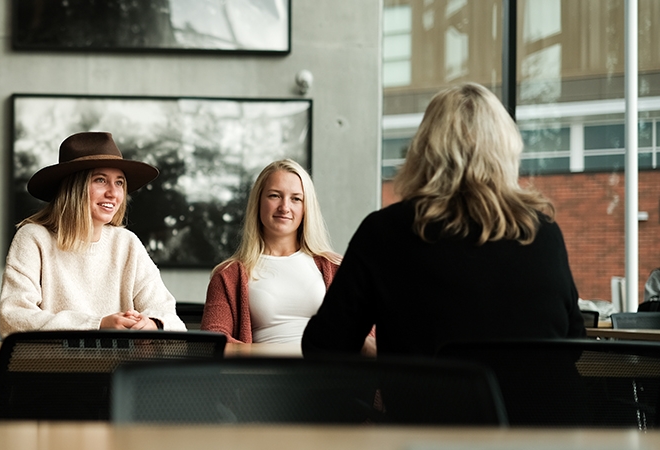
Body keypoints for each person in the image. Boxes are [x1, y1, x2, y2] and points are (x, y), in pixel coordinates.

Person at [302, 83, 586, 358]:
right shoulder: (542, 232)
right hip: (540, 407)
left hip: (430, 407)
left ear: (424, 149)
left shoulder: (386, 232)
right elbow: (574, 343)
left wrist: (368, 347)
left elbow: (324, 344)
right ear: (506, 151)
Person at [0, 131, 186, 337]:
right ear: (73, 188)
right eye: (100, 180)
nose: (113, 193)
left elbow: (169, 316)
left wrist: (152, 324)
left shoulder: (127, 243)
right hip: (51, 365)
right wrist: (98, 324)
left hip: (117, 367)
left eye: (119, 183)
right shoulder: (33, 238)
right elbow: (14, 318)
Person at [201, 159, 355, 347]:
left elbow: (366, 334)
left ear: (306, 208)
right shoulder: (227, 275)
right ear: (258, 202)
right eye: (274, 196)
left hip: (324, 373)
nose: (285, 207)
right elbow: (213, 340)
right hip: (263, 373)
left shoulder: (337, 267)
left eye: (296, 198)